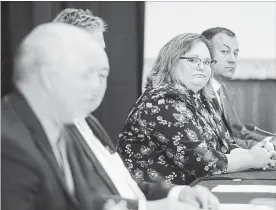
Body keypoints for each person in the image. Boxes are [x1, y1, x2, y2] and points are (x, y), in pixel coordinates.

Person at [1, 23, 219, 210]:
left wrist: (176, 195)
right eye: (87, 74)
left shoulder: (75, 121)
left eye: (102, 75)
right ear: (48, 77)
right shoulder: (9, 143)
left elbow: (104, 190)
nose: (98, 86)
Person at [117, 33, 276, 186]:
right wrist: (251, 159)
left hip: (192, 191)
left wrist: (257, 152)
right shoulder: (161, 101)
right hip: (159, 198)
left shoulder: (201, 98)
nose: (202, 67)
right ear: (171, 62)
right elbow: (200, 162)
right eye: (193, 60)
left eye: (207, 62)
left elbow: (223, 146)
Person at [201, 27, 275, 149]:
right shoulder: (198, 91)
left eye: (235, 53)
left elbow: (240, 133)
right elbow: (223, 143)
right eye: (225, 51)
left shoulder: (221, 88)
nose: (233, 60)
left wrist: (269, 140)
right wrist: (267, 146)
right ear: (205, 54)